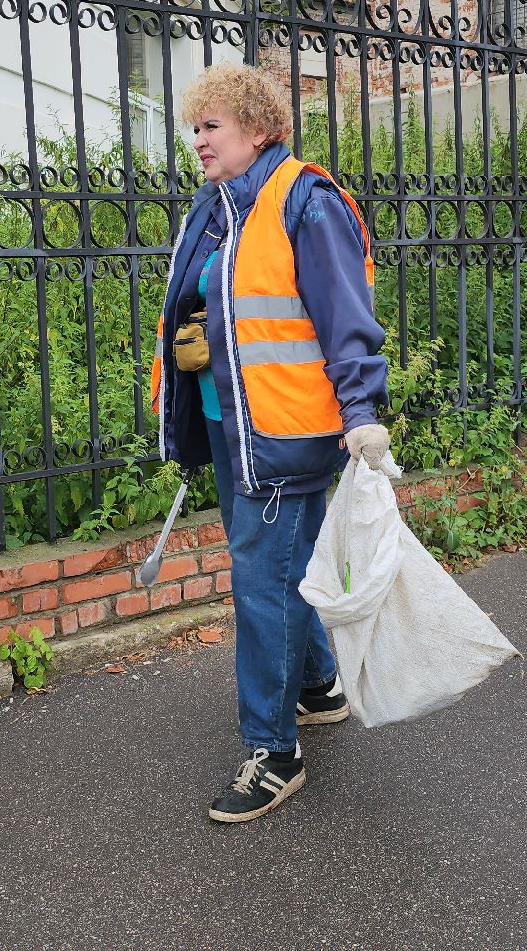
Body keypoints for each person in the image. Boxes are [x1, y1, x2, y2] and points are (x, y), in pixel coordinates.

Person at [149, 63, 391, 823]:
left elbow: (344, 314)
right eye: (194, 128)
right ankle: (317, 688)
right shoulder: (217, 206)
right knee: (281, 567)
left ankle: (273, 753)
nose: (198, 140)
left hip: (285, 429)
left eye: (211, 126)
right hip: (231, 424)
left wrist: (361, 410)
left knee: (264, 584)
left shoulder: (305, 202)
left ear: (257, 129)